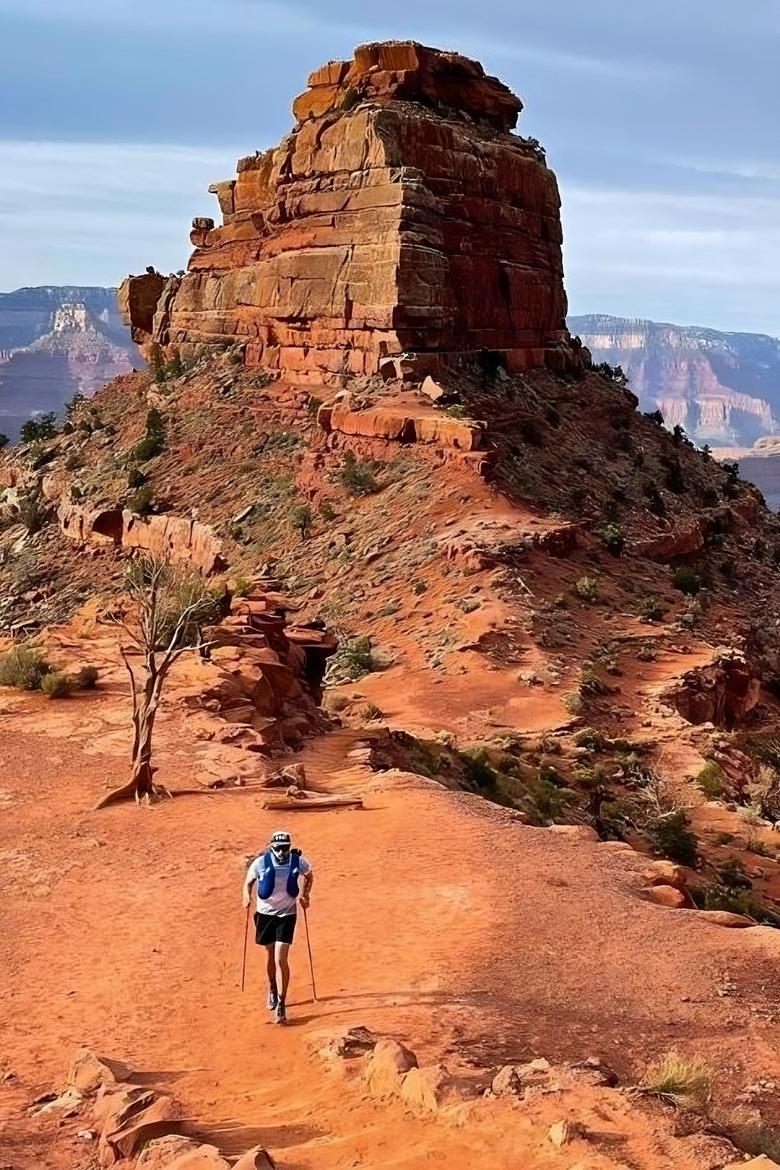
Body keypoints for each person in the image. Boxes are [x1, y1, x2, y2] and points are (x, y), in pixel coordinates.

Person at [242, 829, 313, 1024]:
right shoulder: (260, 863)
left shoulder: (298, 861)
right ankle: (272, 988)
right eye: (278, 849)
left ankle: (282, 1001)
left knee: (281, 957)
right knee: (269, 955)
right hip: (265, 915)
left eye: (285, 848)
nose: (282, 852)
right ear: (271, 847)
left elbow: (309, 875)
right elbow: (248, 883)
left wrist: (306, 895)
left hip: (287, 914)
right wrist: (246, 897)